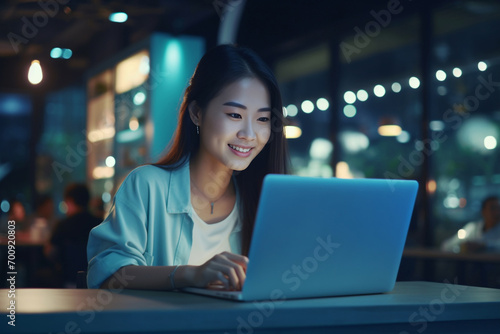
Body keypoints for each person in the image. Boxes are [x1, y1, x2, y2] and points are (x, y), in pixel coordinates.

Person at [87, 44, 289, 291]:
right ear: (196, 113)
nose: (249, 134)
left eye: (263, 119)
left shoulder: (263, 200)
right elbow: (108, 275)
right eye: (235, 115)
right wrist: (189, 275)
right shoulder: (148, 185)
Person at [46, 183, 101, 287]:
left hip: (68, 280)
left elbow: (50, 252)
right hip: (96, 281)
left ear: (69, 201)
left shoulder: (63, 225)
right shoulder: (99, 223)